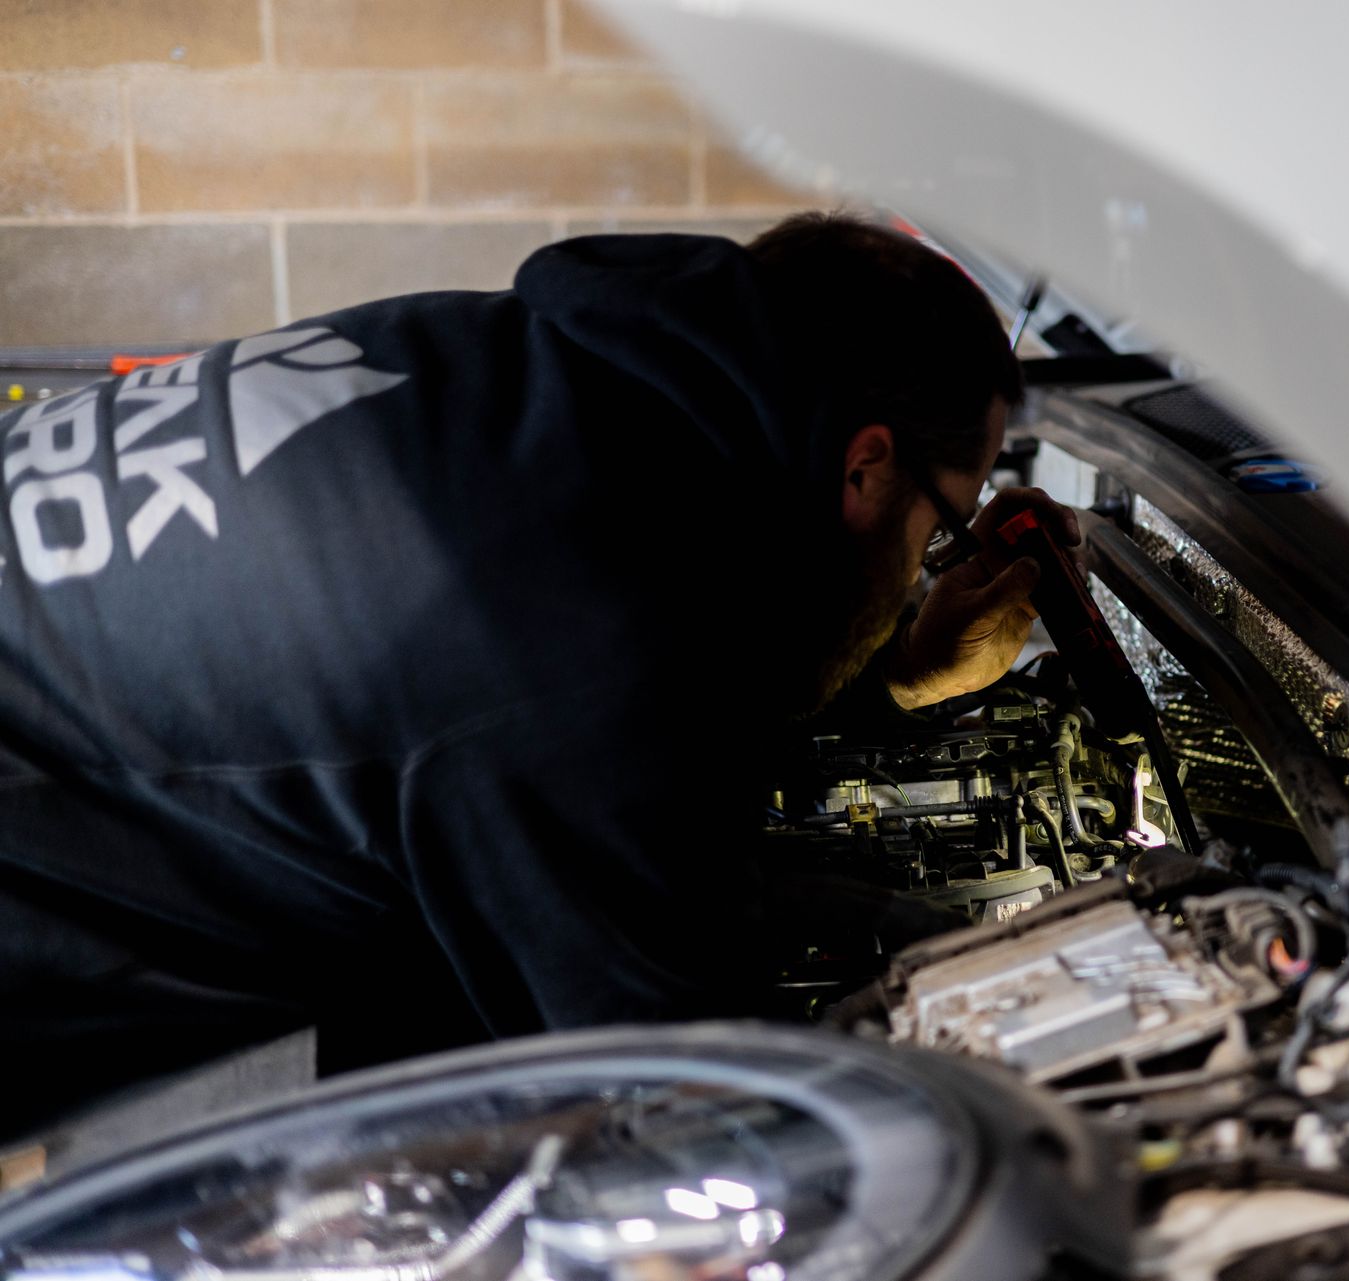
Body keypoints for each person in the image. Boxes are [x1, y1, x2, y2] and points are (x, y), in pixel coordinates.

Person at [0, 212, 1076, 1138]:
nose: (930, 559)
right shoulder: (576, 620)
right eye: (950, 517)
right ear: (866, 464)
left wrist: (894, 687)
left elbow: (476, 747)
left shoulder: (521, 366)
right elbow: (697, 1099)